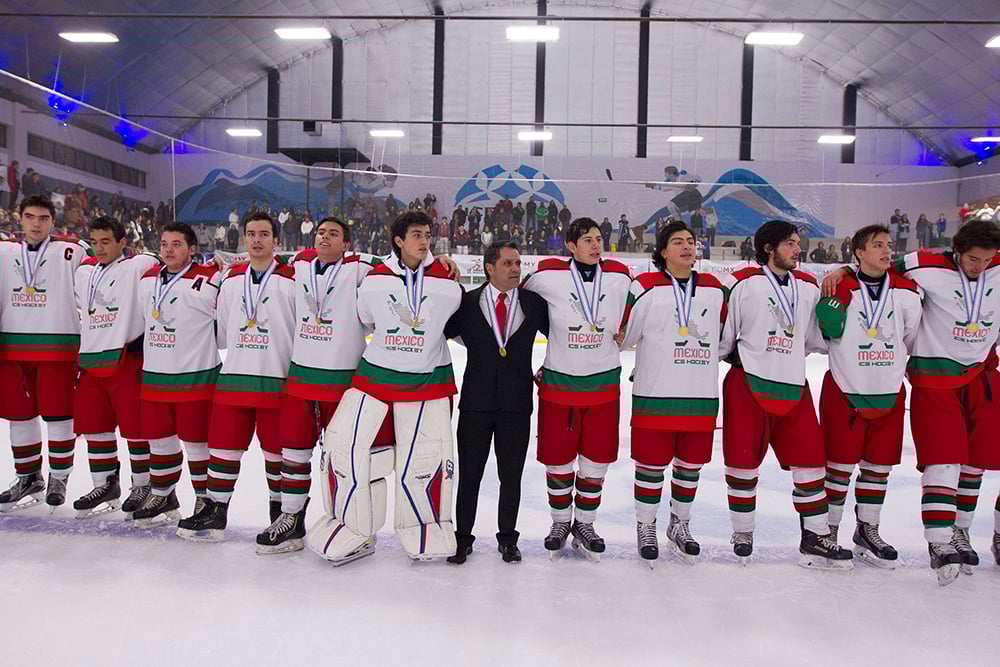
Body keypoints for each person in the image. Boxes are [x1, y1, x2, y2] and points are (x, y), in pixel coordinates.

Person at [823, 219, 1000, 585]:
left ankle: (960, 531)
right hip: (934, 380)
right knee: (943, 459)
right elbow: (874, 265)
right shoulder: (924, 264)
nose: (979, 266)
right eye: (972, 259)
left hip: (983, 376)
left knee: (976, 462)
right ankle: (939, 539)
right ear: (956, 250)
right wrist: (842, 269)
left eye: (987, 260)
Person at [307, 211, 463, 565]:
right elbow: (365, 317)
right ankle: (354, 527)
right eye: (416, 235)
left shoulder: (446, 279)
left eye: (427, 235)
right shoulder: (376, 278)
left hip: (427, 387)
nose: (424, 241)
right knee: (353, 456)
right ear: (398, 241)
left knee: (425, 461)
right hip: (375, 384)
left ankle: (425, 526)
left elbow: (454, 323)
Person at [719, 219, 852, 568]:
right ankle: (743, 531)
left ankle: (815, 537)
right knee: (742, 463)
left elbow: (815, 340)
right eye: (790, 244)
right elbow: (724, 337)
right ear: (769, 248)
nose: (798, 249)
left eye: (797, 243)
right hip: (748, 383)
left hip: (794, 383)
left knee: (810, 463)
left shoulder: (808, 286)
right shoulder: (741, 283)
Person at [176, 212, 297, 543]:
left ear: (276, 240)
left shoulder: (293, 279)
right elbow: (224, 334)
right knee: (223, 449)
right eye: (251, 234)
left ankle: (280, 514)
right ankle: (216, 513)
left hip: (277, 379)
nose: (257, 240)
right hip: (234, 379)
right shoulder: (230, 280)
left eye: (264, 234)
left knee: (278, 454)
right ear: (244, 239)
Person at [264, 217, 378, 554]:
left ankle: (356, 526)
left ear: (346, 243)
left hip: (343, 382)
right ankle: (291, 519)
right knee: (294, 454)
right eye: (320, 233)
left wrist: (437, 262)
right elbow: (260, 266)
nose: (324, 237)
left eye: (334, 234)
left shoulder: (360, 267)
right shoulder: (298, 264)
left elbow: (404, 270)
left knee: (346, 461)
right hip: (301, 380)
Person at [521, 218, 632, 561]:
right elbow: (519, 297)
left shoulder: (620, 274)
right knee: (558, 459)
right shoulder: (546, 275)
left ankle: (585, 523)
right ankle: (559, 522)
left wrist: (625, 326)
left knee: (596, 460)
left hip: (602, 384)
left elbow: (639, 304)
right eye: (587, 240)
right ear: (570, 246)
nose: (595, 245)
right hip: (560, 384)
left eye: (599, 238)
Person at [619, 222, 727, 565]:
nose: (686, 247)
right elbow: (626, 335)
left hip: (700, 394)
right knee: (650, 466)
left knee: (690, 465)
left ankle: (679, 524)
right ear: (663, 251)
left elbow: (726, 337)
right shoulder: (646, 286)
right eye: (677, 242)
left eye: (691, 242)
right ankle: (646, 525)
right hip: (656, 393)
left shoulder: (714, 288)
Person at [814, 224, 921, 568]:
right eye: (877, 245)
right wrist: (842, 272)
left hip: (888, 391)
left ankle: (867, 530)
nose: (886, 251)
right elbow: (828, 335)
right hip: (846, 391)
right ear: (859, 252)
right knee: (838, 468)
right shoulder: (838, 286)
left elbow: (910, 335)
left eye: (888, 245)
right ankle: (828, 532)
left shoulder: (907, 290)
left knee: (878, 468)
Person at [443, 241, 548, 564]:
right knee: (470, 475)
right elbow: (437, 333)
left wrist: (549, 367)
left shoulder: (534, 304)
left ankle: (508, 539)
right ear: (490, 268)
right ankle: (463, 538)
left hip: (516, 404)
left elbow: (562, 338)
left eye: (518, 263)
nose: (516, 269)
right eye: (508, 264)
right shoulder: (467, 304)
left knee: (511, 476)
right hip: (476, 403)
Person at [0, 196, 88, 511]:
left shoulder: (71, 251)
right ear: (20, 219)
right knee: (19, 416)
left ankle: (59, 477)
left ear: (53, 221)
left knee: (59, 415)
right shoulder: (4, 252)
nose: (36, 223)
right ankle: (28, 477)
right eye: (30, 217)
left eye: (43, 218)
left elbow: (101, 280)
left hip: (59, 345)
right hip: (12, 347)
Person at [71, 216, 162, 518]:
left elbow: (159, 259)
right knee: (94, 426)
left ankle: (143, 484)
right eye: (95, 241)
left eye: (106, 241)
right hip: (91, 360)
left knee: (135, 429)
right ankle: (105, 483)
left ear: (123, 243)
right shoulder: (84, 272)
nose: (99, 248)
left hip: (127, 358)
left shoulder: (136, 266)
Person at [132, 222, 221, 528]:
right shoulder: (147, 280)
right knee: (159, 441)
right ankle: (162, 494)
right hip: (155, 373)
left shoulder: (210, 278)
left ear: (192, 249)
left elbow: (225, 322)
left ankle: (204, 497)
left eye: (177, 244)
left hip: (195, 375)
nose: (169, 250)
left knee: (197, 443)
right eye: (165, 244)